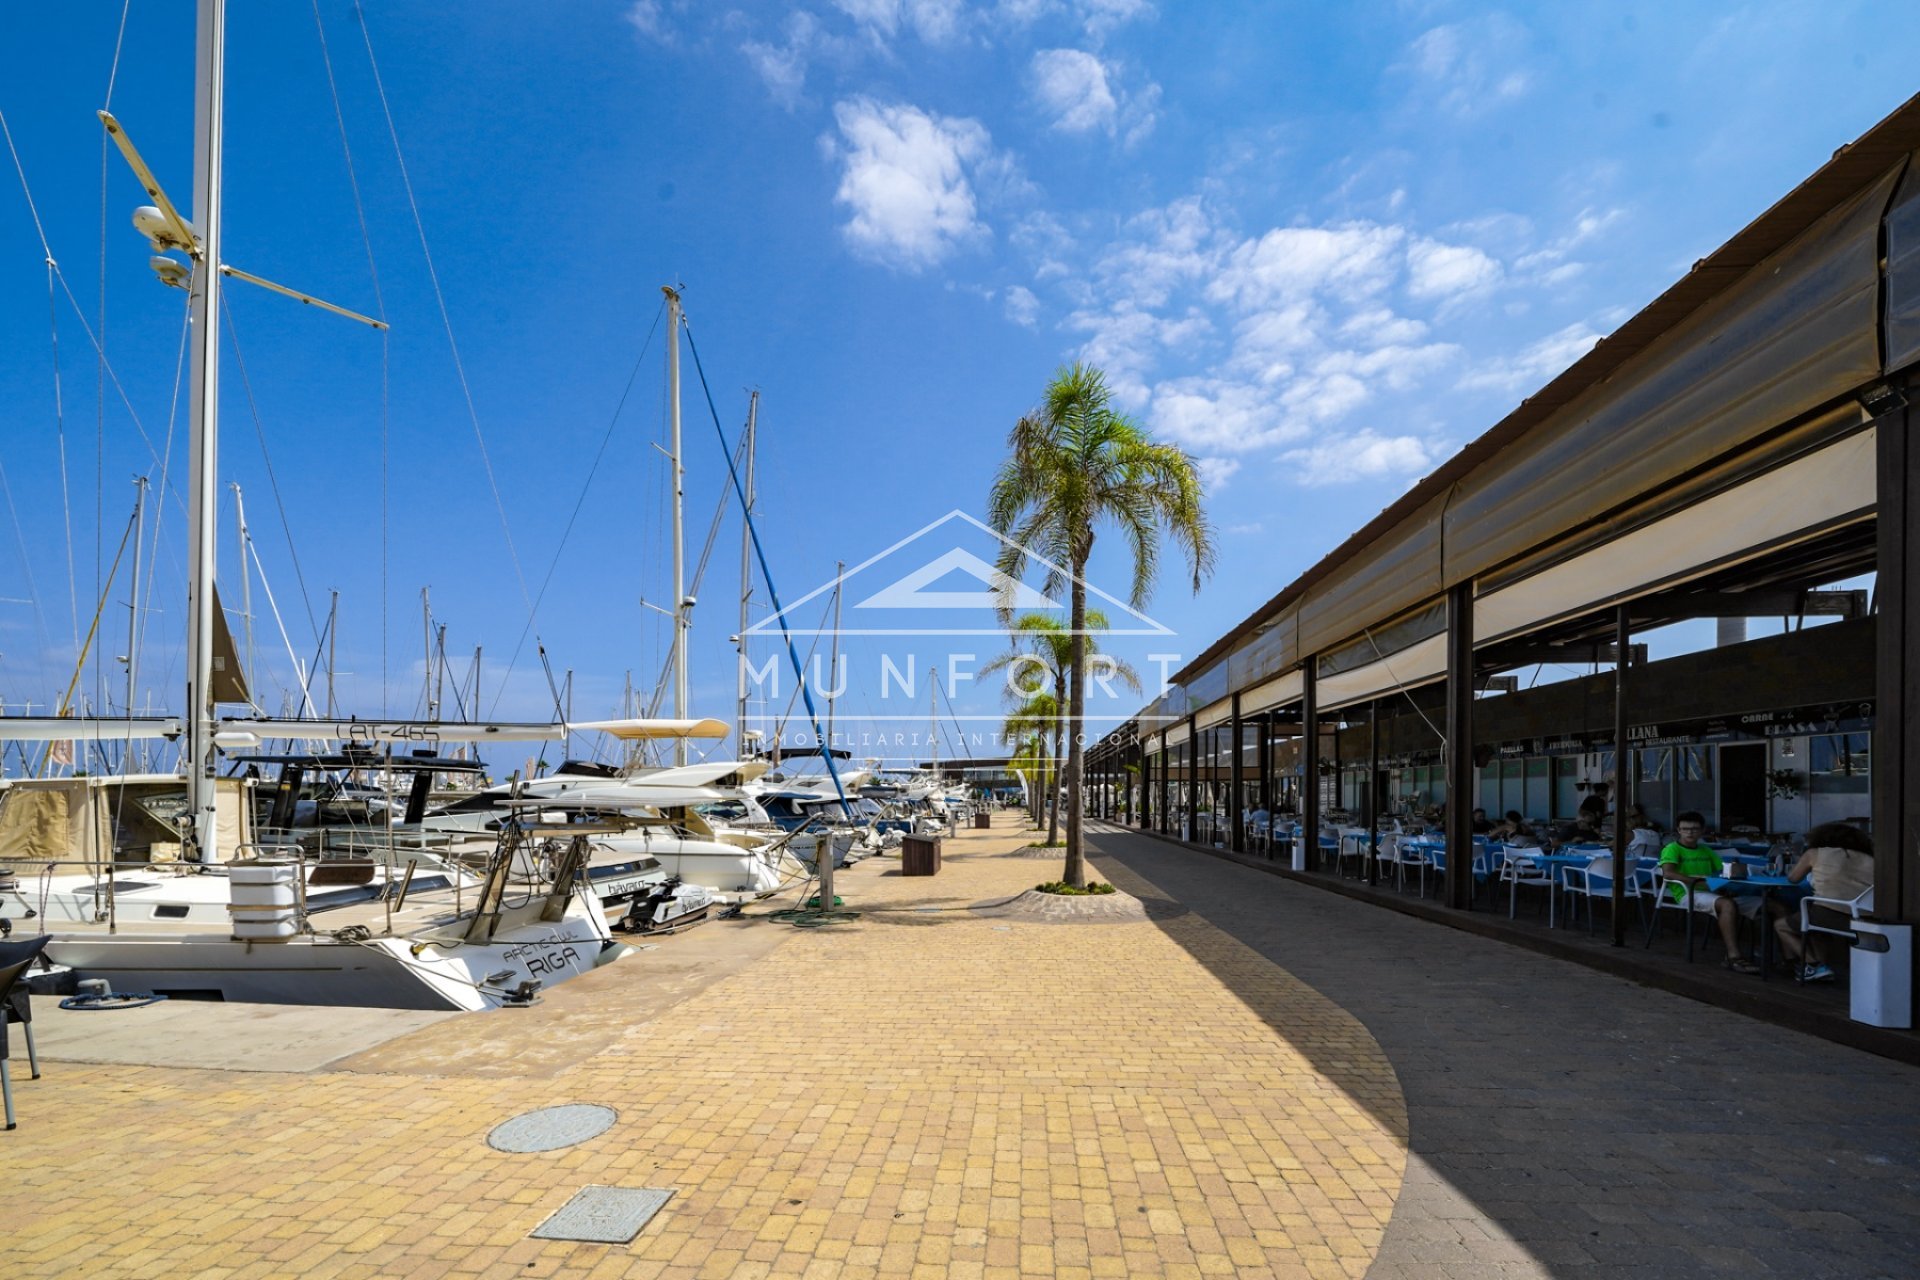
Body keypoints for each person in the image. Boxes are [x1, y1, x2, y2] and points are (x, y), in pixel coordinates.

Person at [1769, 823, 1875, 983]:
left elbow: (1793, 878)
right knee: (1817, 928)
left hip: (1827, 913)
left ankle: (1813, 964)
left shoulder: (1815, 853)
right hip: (1864, 919)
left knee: (1781, 926)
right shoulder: (1871, 859)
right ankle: (1822, 967)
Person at [1658, 810, 1762, 973]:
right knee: (1727, 905)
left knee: (1772, 905)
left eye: (1694, 829)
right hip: (1688, 894)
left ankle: (1788, 958)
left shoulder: (1706, 850)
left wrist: (1729, 881)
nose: (1689, 832)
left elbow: (1722, 870)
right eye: (1685, 829)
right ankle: (1733, 956)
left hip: (1714, 893)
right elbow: (1668, 872)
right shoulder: (1672, 849)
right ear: (1678, 830)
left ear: (1701, 831)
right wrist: (1698, 882)